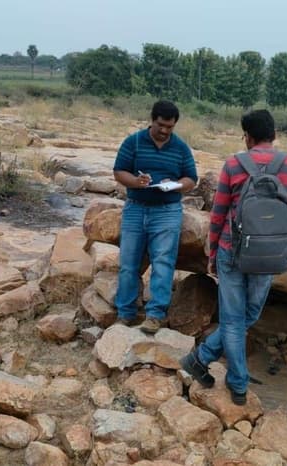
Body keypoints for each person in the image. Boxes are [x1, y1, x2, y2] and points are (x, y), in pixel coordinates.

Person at [180, 109, 287, 405]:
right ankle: (235, 381)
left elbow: (218, 214)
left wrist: (212, 252)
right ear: (274, 135)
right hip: (269, 254)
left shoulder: (233, 165)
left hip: (232, 251)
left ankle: (202, 360)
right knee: (246, 316)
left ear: (248, 137)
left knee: (233, 319)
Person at [112, 100, 198, 334]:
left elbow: (192, 178)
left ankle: (155, 315)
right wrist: (136, 182)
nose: (164, 131)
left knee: (163, 262)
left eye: (169, 127)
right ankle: (125, 313)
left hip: (167, 211)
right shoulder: (134, 141)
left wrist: (177, 185)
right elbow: (119, 171)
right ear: (152, 120)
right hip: (136, 208)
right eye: (161, 125)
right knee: (129, 264)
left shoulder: (180, 148)